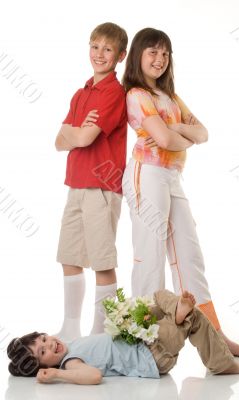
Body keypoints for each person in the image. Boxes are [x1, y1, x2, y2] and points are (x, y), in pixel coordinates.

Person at [121, 27, 239, 358]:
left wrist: (178, 128)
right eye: (153, 52)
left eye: (165, 53)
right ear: (139, 55)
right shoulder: (137, 95)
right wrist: (181, 135)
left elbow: (204, 133)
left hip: (171, 176)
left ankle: (215, 337)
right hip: (147, 174)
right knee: (149, 256)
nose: (160, 59)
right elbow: (167, 143)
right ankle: (141, 342)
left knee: (190, 257)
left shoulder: (170, 97)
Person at [54, 22, 128, 340]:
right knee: (69, 257)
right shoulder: (80, 93)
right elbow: (59, 141)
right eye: (95, 46)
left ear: (120, 55)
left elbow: (82, 138)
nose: (99, 54)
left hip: (102, 187)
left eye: (107, 49)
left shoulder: (113, 93)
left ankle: (101, 331)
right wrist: (73, 133)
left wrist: (74, 133)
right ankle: (71, 327)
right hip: (76, 184)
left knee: (101, 260)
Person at [7, 290, 239, 385]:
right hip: (153, 356)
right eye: (42, 353)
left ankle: (176, 310)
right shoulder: (71, 362)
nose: (49, 344)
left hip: (143, 338)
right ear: (45, 367)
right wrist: (57, 374)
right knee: (192, 316)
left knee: (158, 296)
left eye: (43, 339)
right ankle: (181, 319)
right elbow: (94, 376)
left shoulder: (72, 345)